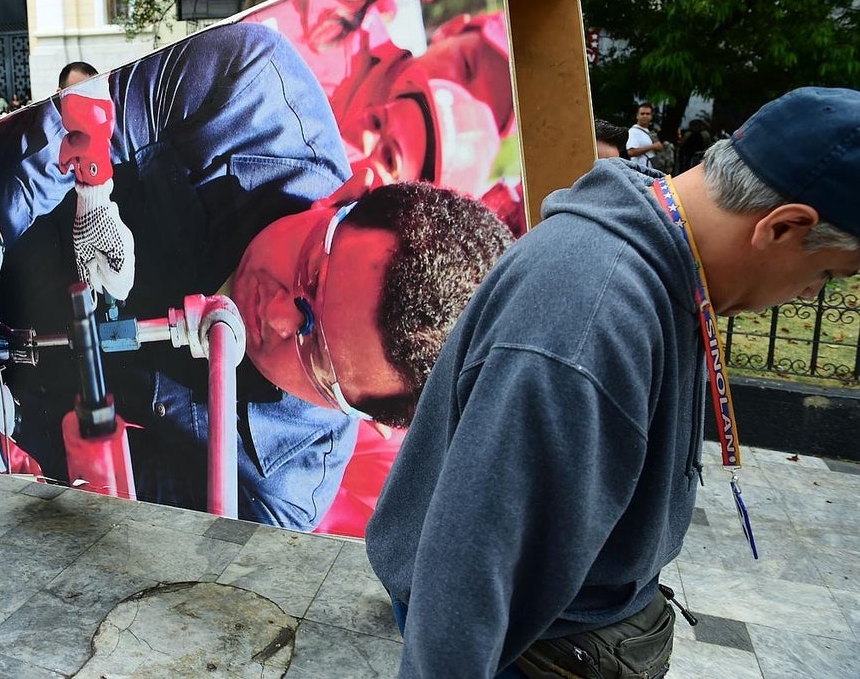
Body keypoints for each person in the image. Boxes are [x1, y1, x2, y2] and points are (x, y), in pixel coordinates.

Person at [0, 23, 513, 530]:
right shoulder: (250, 84)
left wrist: (11, 413)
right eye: (313, 272)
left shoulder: (283, 493)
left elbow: (121, 504)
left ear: (364, 419)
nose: (277, 314)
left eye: (319, 360)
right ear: (349, 194)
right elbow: (83, 115)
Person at [366, 87, 860, 678]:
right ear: (783, 227)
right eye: (827, 272)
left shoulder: (664, 262)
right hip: (520, 645)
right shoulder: (588, 316)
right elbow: (468, 561)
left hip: (557, 621)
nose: (814, 293)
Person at [626, 101, 664, 169]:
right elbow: (631, 152)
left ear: (651, 116)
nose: (645, 116)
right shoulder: (633, 131)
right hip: (639, 171)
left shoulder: (650, 132)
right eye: (642, 114)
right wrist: (652, 147)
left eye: (648, 114)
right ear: (637, 116)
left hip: (650, 169)